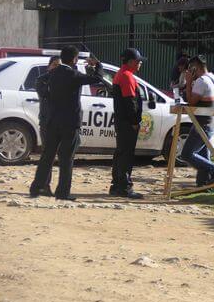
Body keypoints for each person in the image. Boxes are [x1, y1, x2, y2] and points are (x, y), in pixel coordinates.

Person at [30, 46, 102, 200]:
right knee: (66, 158)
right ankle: (63, 192)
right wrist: (98, 66)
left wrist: (45, 95)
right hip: (69, 124)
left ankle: (36, 187)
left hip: (52, 121)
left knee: (47, 156)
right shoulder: (74, 75)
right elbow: (97, 79)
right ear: (75, 59)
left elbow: (40, 82)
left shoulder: (53, 73)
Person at [180, 56, 214, 187]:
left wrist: (188, 82)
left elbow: (191, 102)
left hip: (202, 125)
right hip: (209, 123)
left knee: (186, 154)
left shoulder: (201, 81)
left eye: (190, 69)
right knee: (204, 157)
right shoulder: (212, 79)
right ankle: (203, 185)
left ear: (195, 68)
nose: (188, 72)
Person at [110, 48, 147, 199]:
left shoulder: (122, 74)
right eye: (139, 61)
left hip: (121, 121)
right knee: (126, 155)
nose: (140, 64)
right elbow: (130, 102)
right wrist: (134, 122)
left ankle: (117, 185)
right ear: (131, 61)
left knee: (120, 153)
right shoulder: (127, 76)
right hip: (127, 122)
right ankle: (125, 187)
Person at [30, 55, 60, 197]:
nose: (56, 68)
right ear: (49, 66)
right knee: (48, 155)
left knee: (54, 156)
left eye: (59, 65)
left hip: (60, 123)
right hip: (47, 123)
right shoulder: (43, 79)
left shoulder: (64, 81)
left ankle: (46, 185)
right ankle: (43, 185)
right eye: (54, 65)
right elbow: (44, 93)